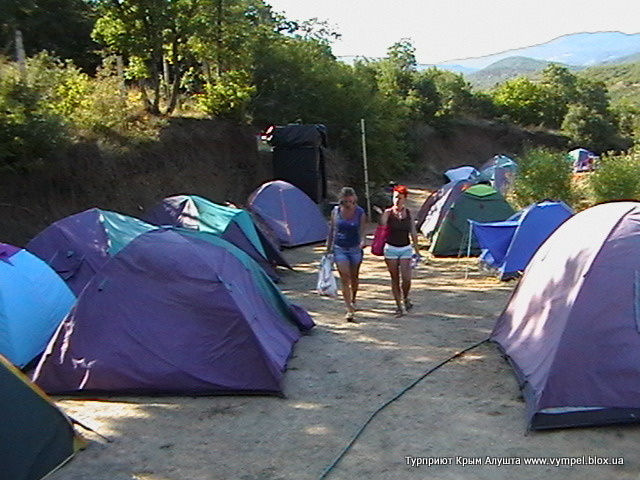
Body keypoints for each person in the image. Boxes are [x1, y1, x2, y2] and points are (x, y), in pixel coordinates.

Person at [325, 187, 366, 322]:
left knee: (354, 276)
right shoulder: (336, 212)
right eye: (346, 201)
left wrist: (362, 241)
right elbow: (332, 229)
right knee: (345, 277)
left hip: (354, 248)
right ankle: (349, 308)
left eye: (351, 201)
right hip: (339, 247)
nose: (349, 204)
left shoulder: (360, 212)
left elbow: (362, 230)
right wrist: (328, 247)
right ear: (341, 200)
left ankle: (353, 298)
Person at [381, 185, 420, 317]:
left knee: (407, 278)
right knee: (395, 278)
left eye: (400, 198)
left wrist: (417, 249)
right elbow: (382, 230)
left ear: (405, 199)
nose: (397, 200)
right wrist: (383, 218)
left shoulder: (409, 214)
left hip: (405, 248)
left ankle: (406, 297)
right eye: (395, 197)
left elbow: (413, 232)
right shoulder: (388, 213)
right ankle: (399, 306)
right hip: (391, 248)